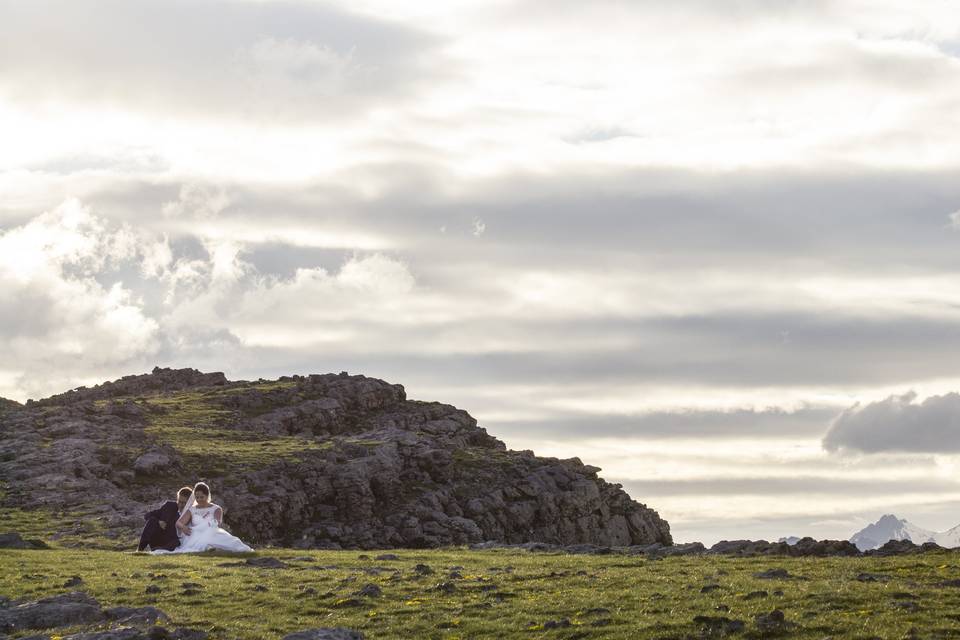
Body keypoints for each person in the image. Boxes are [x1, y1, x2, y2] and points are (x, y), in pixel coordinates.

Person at [152, 481, 252, 554]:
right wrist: (183, 527)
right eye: (197, 497)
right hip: (194, 534)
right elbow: (179, 523)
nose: (199, 500)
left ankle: (212, 548)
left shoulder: (216, 508)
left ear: (207, 495)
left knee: (233, 544)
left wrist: (208, 525)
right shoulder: (192, 509)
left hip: (212, 532)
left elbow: (218, 522)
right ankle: (209, 548)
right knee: (202, 545)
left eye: (202, 497)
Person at [138, 486, 192, 552]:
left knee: (177, 542)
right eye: (179, 501)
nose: (180, 505)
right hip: (158, 538)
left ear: (189, 503)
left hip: (173, 543)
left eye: (184, 503)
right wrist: (159, 521)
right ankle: (139, 550)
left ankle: (160, 550)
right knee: (152, 521)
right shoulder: (169, 506)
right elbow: (147, 515)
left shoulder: (192, 513)